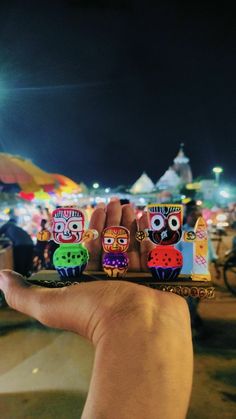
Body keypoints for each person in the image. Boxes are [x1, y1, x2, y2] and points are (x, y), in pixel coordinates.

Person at [0, 200, 193, 418]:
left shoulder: (155, 251)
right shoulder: (71, 249)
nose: (166, 231)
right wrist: (144, 318)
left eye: (73, 226)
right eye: (61, 227)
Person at [0, 211, 34, 277]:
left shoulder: (6, 226)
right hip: (30, 243)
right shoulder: (16, 227)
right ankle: (27, 278)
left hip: (21, 245)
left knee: (19, 263)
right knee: (27, 263)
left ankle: (20, 280)